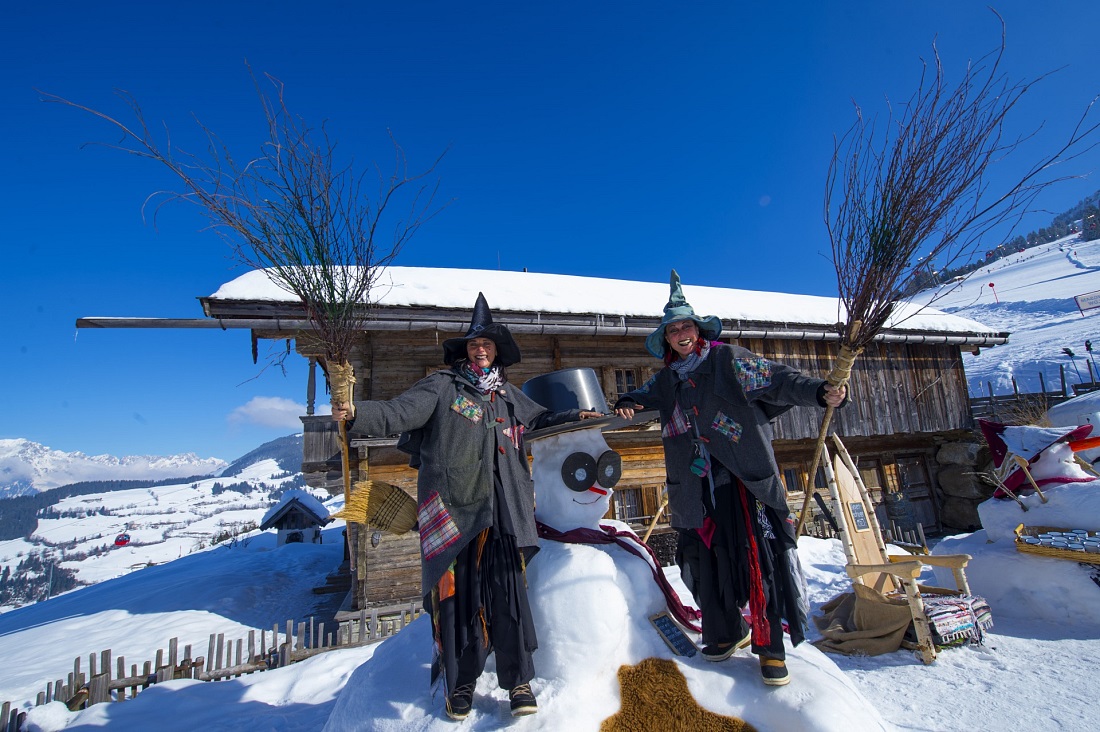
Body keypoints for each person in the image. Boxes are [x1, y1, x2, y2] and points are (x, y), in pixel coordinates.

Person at [331, 292, 601, 720]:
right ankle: (461, 685)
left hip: (505, 512)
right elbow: (398, 412)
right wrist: (355, 413)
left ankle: (519, 682)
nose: (481, 349)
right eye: (475, 343)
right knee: (457, 601)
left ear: (497, 353)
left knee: (508, 595)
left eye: (488, 344)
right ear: (466, 351)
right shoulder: (441, 387)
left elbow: (540, 420)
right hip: (456, 512)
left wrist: (576, 417)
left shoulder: (508, 395)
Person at [613, 270, 847, 687]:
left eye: (686, 326)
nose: (681, 333)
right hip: (694, 490)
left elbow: (779, 379)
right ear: (665, 339)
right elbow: (643, 397)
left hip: (742, 479)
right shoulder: (667, 381)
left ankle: (770, 648)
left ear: (698, 330)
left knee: (759, 561)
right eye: (672, 330)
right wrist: (627, 399)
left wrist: (818, 391)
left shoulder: (728, 360)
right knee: (707, 562)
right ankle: (724, 633)